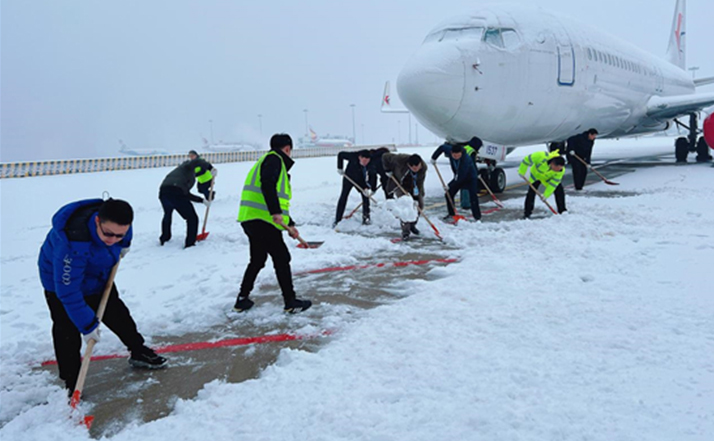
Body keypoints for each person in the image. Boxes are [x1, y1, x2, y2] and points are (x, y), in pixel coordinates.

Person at [38, 198, 167, 394]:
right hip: (60, 283)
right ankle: (72, 381)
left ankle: (138, 350)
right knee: (67, 329)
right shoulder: (72, 243)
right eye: (108, 234)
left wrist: (125, 243)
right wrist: (88, 326)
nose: (113, 239)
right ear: (97, 221)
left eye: (120, 235)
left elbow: (121, 234)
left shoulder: (118, 226)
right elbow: (68, 292)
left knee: (117, 313)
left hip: (97, 273)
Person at [234, 133, 312, 314]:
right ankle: (290, 302)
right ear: (287, 148)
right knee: (282, 258)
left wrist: (290, 224)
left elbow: (278, 199)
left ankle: (242, 299)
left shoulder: (267, 161)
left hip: (251, 219)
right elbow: (267, 186)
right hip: (263, 221)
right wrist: (275, 213)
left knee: (258, 259)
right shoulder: (274, 160)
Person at [158, 156, 213, 248]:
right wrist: (210, 168)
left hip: (163, 192)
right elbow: (197, 161)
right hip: (175, 192)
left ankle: (164, 238)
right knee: (192, 218)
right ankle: (190, 243)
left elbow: (185, 194)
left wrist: (202, 200)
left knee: (167, 214)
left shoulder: (179, 173)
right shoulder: (188, 167)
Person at [431, 144, 481, 222]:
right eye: (454, 156)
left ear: (461, 153)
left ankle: (477, 217)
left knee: (473, 196)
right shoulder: (449, 150)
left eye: (458, 156)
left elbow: (461, 176)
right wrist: (434, 158)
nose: (456, 157)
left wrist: (449, 185)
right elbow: (442, 148)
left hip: (470, 178)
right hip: (458, 176)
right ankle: (452, 214)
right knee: (449, 194)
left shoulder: (466, 160)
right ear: (451, 153)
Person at [383, 153, 427, 240]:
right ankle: (405, 232)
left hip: (413, 186)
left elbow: (420, 182)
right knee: (406, 205)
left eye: (417, 167)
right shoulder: (400, 159)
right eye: (413, 168)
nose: (416, 169)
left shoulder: (423, 167)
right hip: (399, 184)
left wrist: (419, 195)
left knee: (420, 205)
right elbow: (385, 156)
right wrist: (387, 170)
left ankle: (412, 225)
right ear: (408, 165)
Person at [333, 149, 378, 227]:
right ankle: (337, 219)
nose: (365, 163)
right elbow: (340, 154)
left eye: (367, 162)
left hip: (361, 180)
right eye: (364, 161)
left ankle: (366, 218)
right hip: (349, 177)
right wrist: (340, 167)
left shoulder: (371, 163)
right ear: (359, 157)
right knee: (344, 196)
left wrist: (371, 188)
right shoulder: (353, 156)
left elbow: (373, 176)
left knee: (365, 197)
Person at [518, 150, 567, 218]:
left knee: (559, 190)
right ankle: (527, 212)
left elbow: (553, 184)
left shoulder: (561, 171)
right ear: (552, 164)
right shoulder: (541, 156)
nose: (558, 170)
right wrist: (522, 171)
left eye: (560, 168)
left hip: (547, 179)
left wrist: (545, 195)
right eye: (557, 168)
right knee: (531, 193)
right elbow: (526, 160)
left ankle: (562, 210)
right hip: (536, 176)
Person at [459, 137, 483, 209]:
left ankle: (463, 202)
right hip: (467, 171)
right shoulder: (472, 151)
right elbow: (472, 163)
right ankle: (466, 204)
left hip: (460, 170)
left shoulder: (465, 148)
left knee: (462, 187)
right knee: (467, 187)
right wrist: (476, 172)